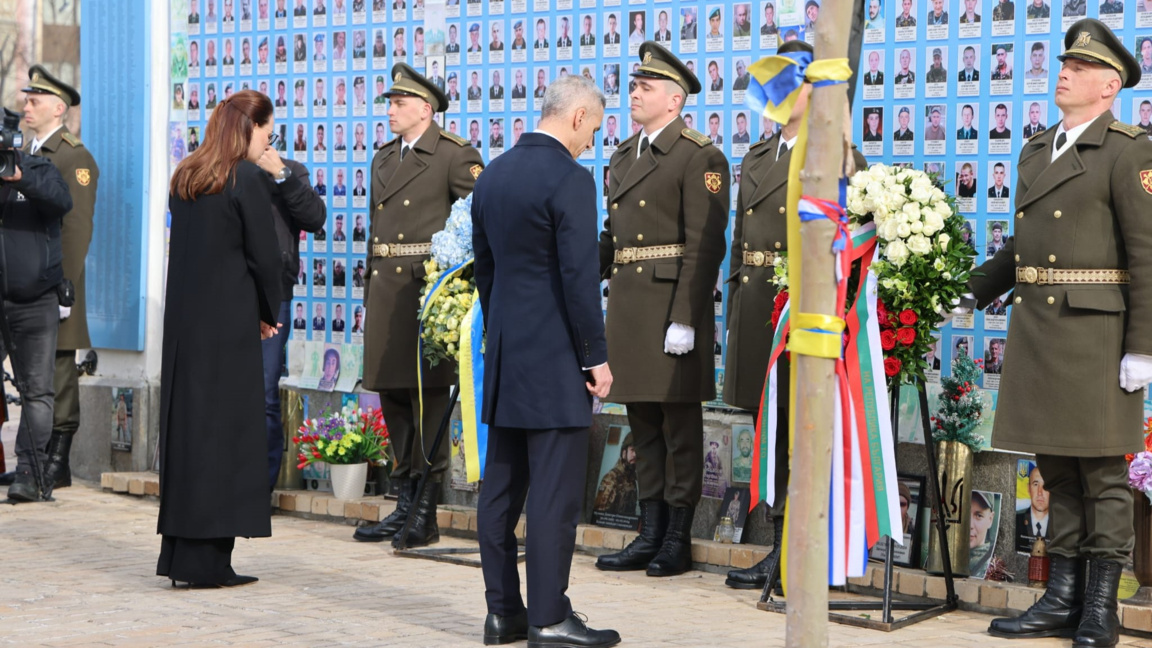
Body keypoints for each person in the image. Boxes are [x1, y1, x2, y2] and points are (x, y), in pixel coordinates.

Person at [969, 20, 1152, 646]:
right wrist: (968, 292)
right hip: (1041, 328)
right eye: (1062, 63)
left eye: (1079, 67)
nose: (1063, 73)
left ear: (1109, 86)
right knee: (1058, 471)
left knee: (1102, 475)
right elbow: (1023, 247)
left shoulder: (1130, 150)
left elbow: (1148, 254)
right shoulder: (1035, 148)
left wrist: (1143, 347)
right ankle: (1062, 597)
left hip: (1098, 335)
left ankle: (1100, 607)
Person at [473, 73, 620, 648]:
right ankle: (549, 618)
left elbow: (485, 271)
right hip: (559, 358)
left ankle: (502, 613)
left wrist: (507, 329)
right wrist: (596, 357)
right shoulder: (570, 179)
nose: (591, 143)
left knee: (501, 490)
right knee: (554, 496)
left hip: (509, 355)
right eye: (594, 130)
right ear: (578, 116)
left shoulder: (495, 174)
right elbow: (580, 280)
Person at [724, 40, 866, 591]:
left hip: (810, 312)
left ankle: (809, 555)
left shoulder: (837, 154)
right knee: (774, 434)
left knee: (808, 434)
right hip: (762, 306)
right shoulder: (758, 157)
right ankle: (780, 547)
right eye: (773, 76)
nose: (780, 88)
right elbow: (740, 244)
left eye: (792, 77)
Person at [595, 42, 728, 578]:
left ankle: (678, 536)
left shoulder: (700, 156)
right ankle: (647, 533)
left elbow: (705, 243)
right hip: (628, 306)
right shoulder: (624, 155)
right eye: (633, 85)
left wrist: (686, 317)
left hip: (673, 307)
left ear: (675, 100)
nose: (635, 93)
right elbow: (613, 238)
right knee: (642, 424)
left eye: (646, 87)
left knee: (679, 426)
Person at [353, 65, 482, 548]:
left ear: (425, 109)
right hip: (387, 290)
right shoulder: (385, 158)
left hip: (426, 291)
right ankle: (403, 504)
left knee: (426, 401)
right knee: (394, 400)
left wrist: (457, 290)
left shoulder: (453, 155)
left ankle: (425, 511)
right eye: (389, 102)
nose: (390, 110)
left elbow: (477, 220)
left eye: (399, 103)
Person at [159, 90, 281, 587]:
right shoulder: (246, 178)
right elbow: (263, 256)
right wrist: (269, 312)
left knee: (191, 438)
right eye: (267, 134)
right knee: (225, 441)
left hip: (186, 329)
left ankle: (181, 559)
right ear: (249, 129)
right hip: (230, 328)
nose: (267, 143)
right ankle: (212, 563)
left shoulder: (187, 174)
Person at [0, 67, 98, 492]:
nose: (27, 105)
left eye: (35, 100)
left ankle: (54, 463)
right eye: (26, 98)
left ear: (58, 108)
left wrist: (64, 287)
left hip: (53, 283)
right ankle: (40, 464)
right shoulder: (25, 150)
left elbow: (76, 230)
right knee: (44, 376)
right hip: (23, 280)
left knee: (56, 374)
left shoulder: (72, 155)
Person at [0, 107, 71, 501]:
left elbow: (62, 203)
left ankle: (29, 472)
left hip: (36, 298)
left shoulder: (39, 170)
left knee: (38, 390)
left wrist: (21, 178)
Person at [253, 141, 325, 489]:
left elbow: (314, 218)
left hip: (274, 293)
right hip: (229, 290)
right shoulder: (228, 169)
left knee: (265, 391)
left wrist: (280, 174)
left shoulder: (291, 170)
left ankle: (261, 489)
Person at [594, 433, 638, 515]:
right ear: (624, 452)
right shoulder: (611, 477)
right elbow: (599, 514)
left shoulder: (632, 480)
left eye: (637, 451)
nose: (635, 454)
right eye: (632, 450)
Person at [1015, 463, 1051, 552]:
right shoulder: (1018, 519)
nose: (1040, 492)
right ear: (1028, 488)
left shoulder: (1061, 526)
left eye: (1045, 486)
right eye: (1035, 484)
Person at [969, 491, 995, 578]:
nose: (970, 525)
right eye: (965, 513)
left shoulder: (991, 565)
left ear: (990, 519)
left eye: (979, 516)